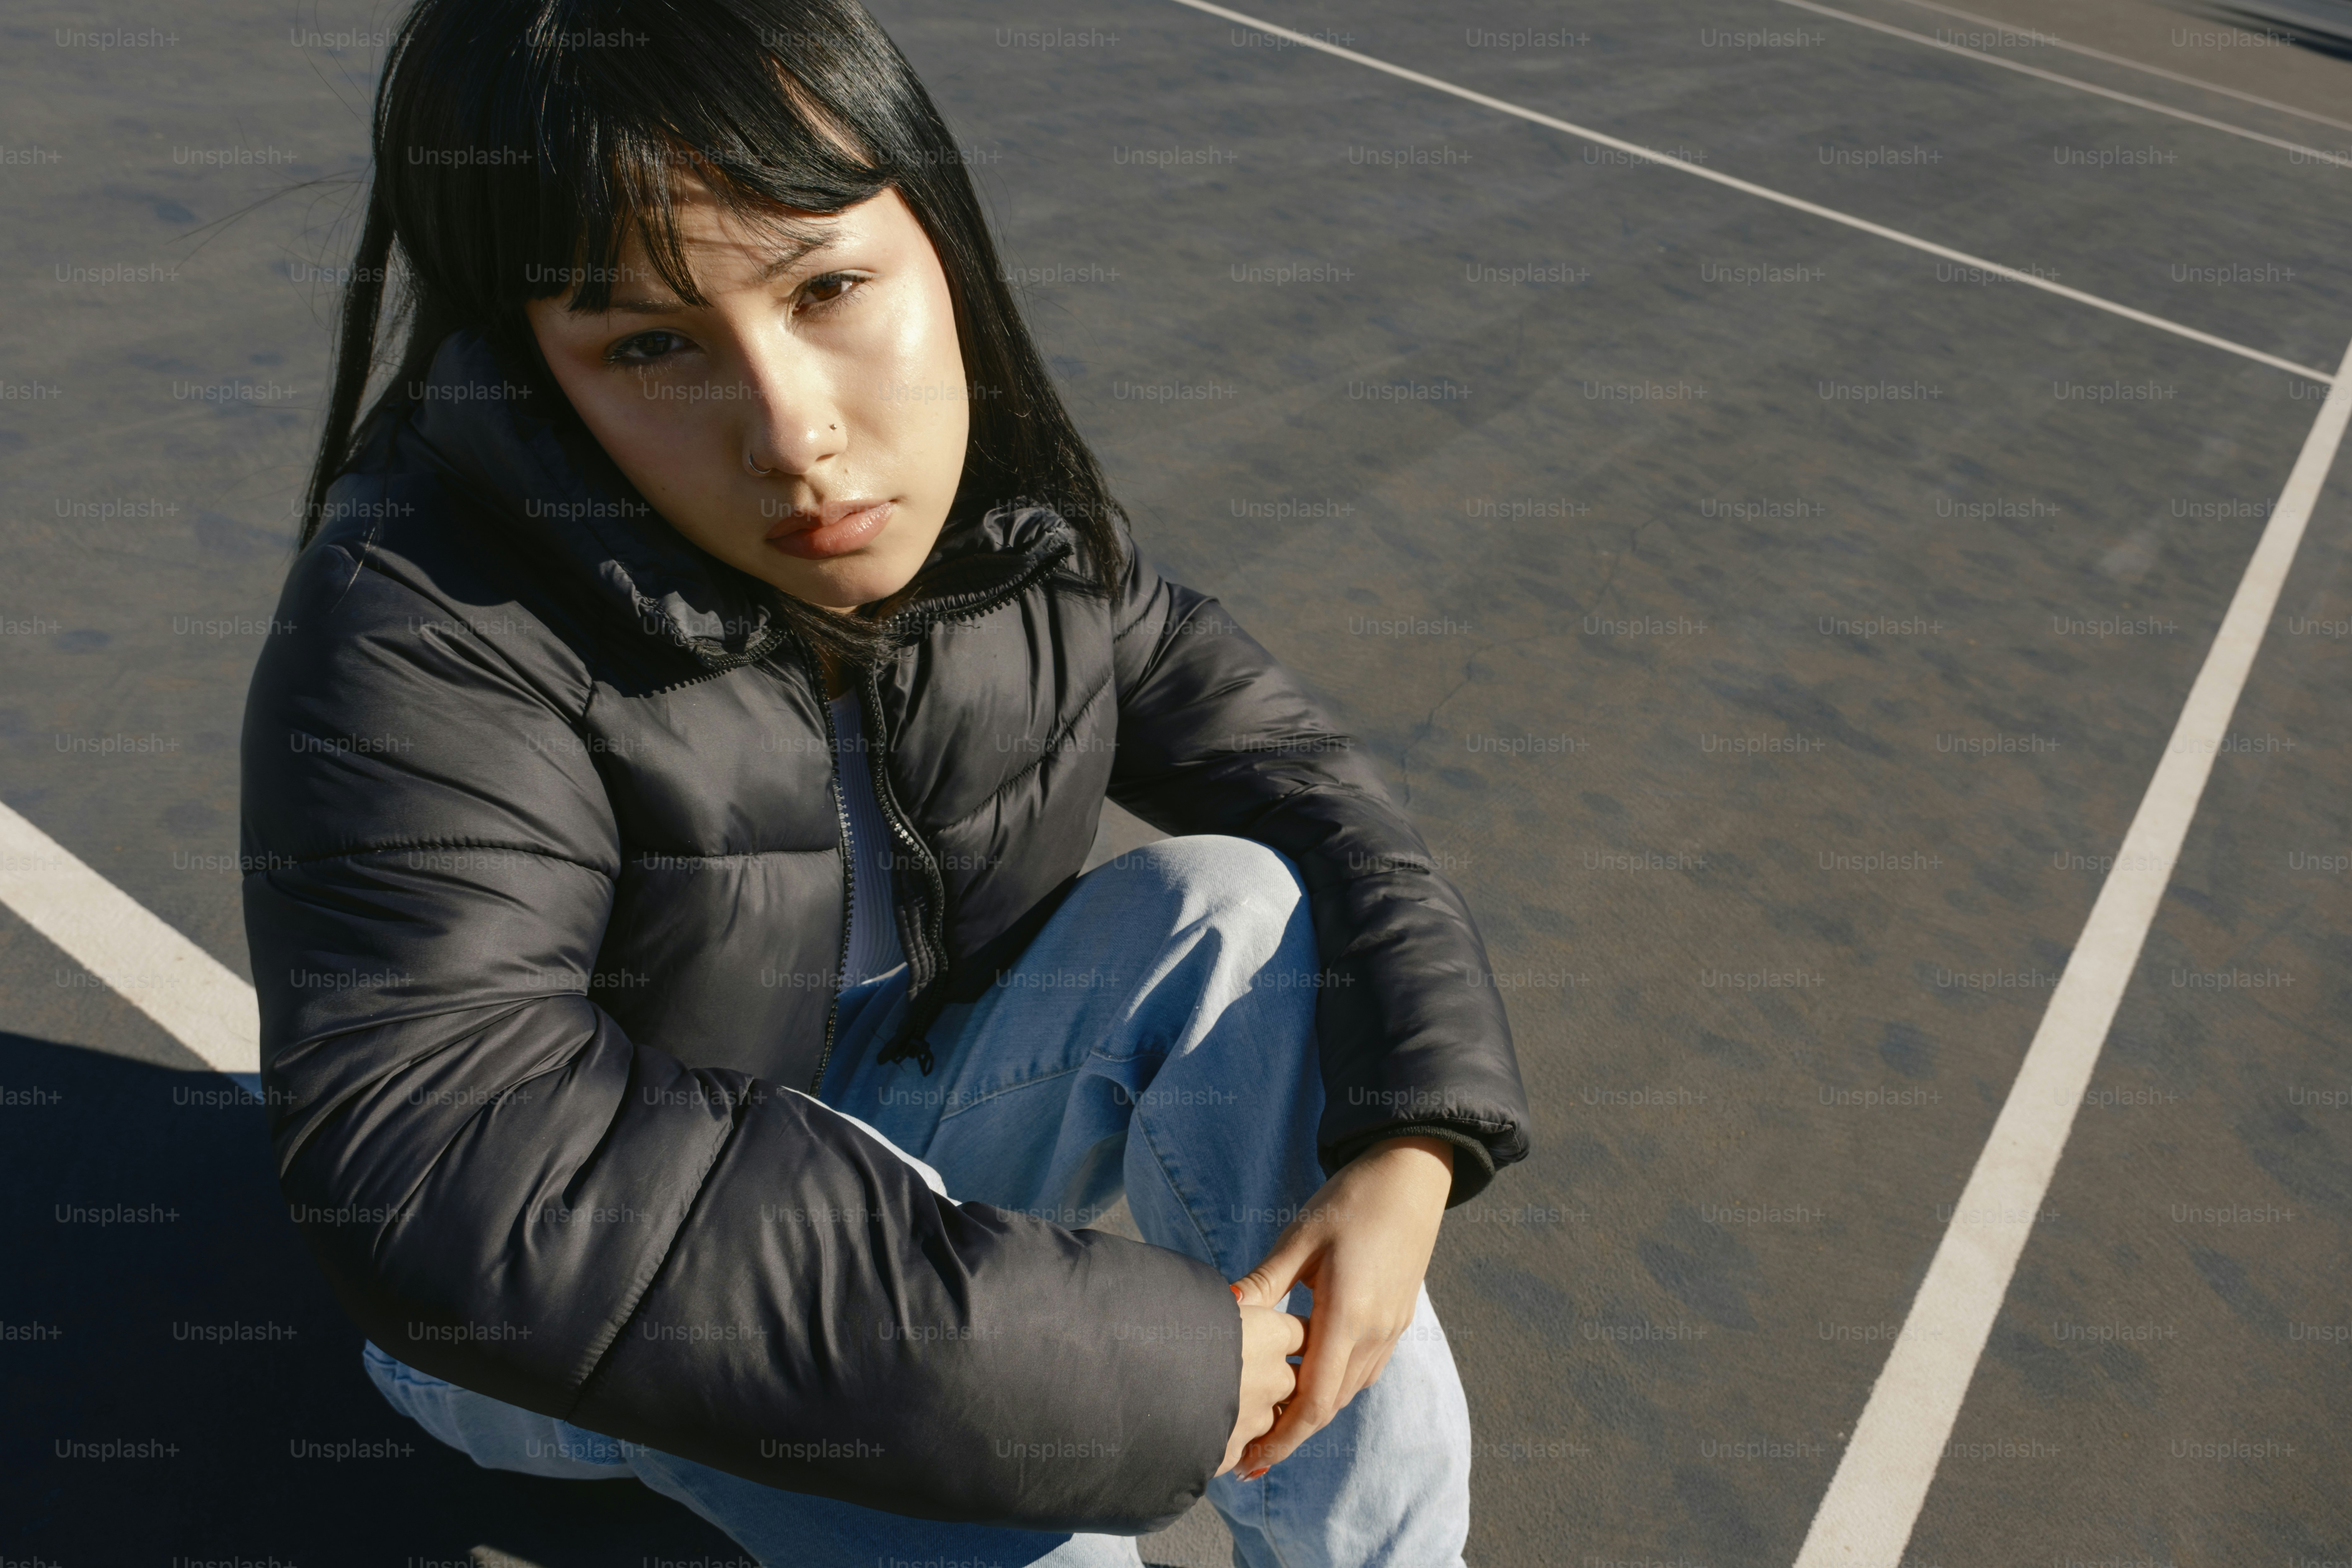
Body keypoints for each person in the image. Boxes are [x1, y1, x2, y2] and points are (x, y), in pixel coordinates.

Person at [240, 2, 1529, 1564]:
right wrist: (1140, 1368)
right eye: (651, 343)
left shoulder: (1011, 529)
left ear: (941, 237)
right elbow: (456, 1173)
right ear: (535, 365)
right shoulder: (423, 618)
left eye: (831, 285)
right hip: (585, 1324)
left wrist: (1411, 1143)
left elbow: (1310, 786)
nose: (798, 435)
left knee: (1240, 904)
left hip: (885, 1154)